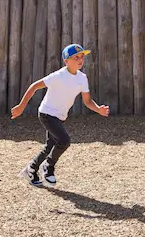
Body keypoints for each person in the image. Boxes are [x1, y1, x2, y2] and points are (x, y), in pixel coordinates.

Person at [12, 44, 110, 186]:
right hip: (47, 113)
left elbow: (87, 101)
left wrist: (98, 109)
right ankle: (49, 166)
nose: (80, 59)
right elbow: (34, 86)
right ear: (66, 61)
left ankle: (31, 169)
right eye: (76, 57)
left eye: (82, 56)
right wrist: (21, 107)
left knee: (49, 147)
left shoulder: (82, 78)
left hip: (60, 117)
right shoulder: (58, 76)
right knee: (64, 141)